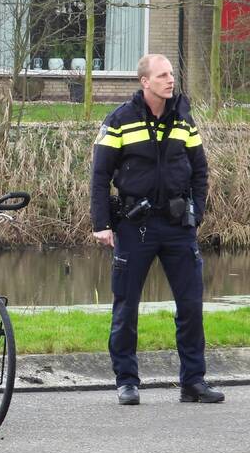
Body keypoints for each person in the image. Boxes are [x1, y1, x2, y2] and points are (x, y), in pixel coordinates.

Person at [90, 53, 223, 405]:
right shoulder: (119, 121)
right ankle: (127, 382)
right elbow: (100, 175)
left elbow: (200, 171)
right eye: (162, 75)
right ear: (144, 81)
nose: (170, 80)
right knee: (126, 306)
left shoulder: (184, 119)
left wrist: (197, 214)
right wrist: (102, 224)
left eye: (171, 75)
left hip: (179, 225)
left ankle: (193, 382)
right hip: (136, 227)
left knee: (192, 305)